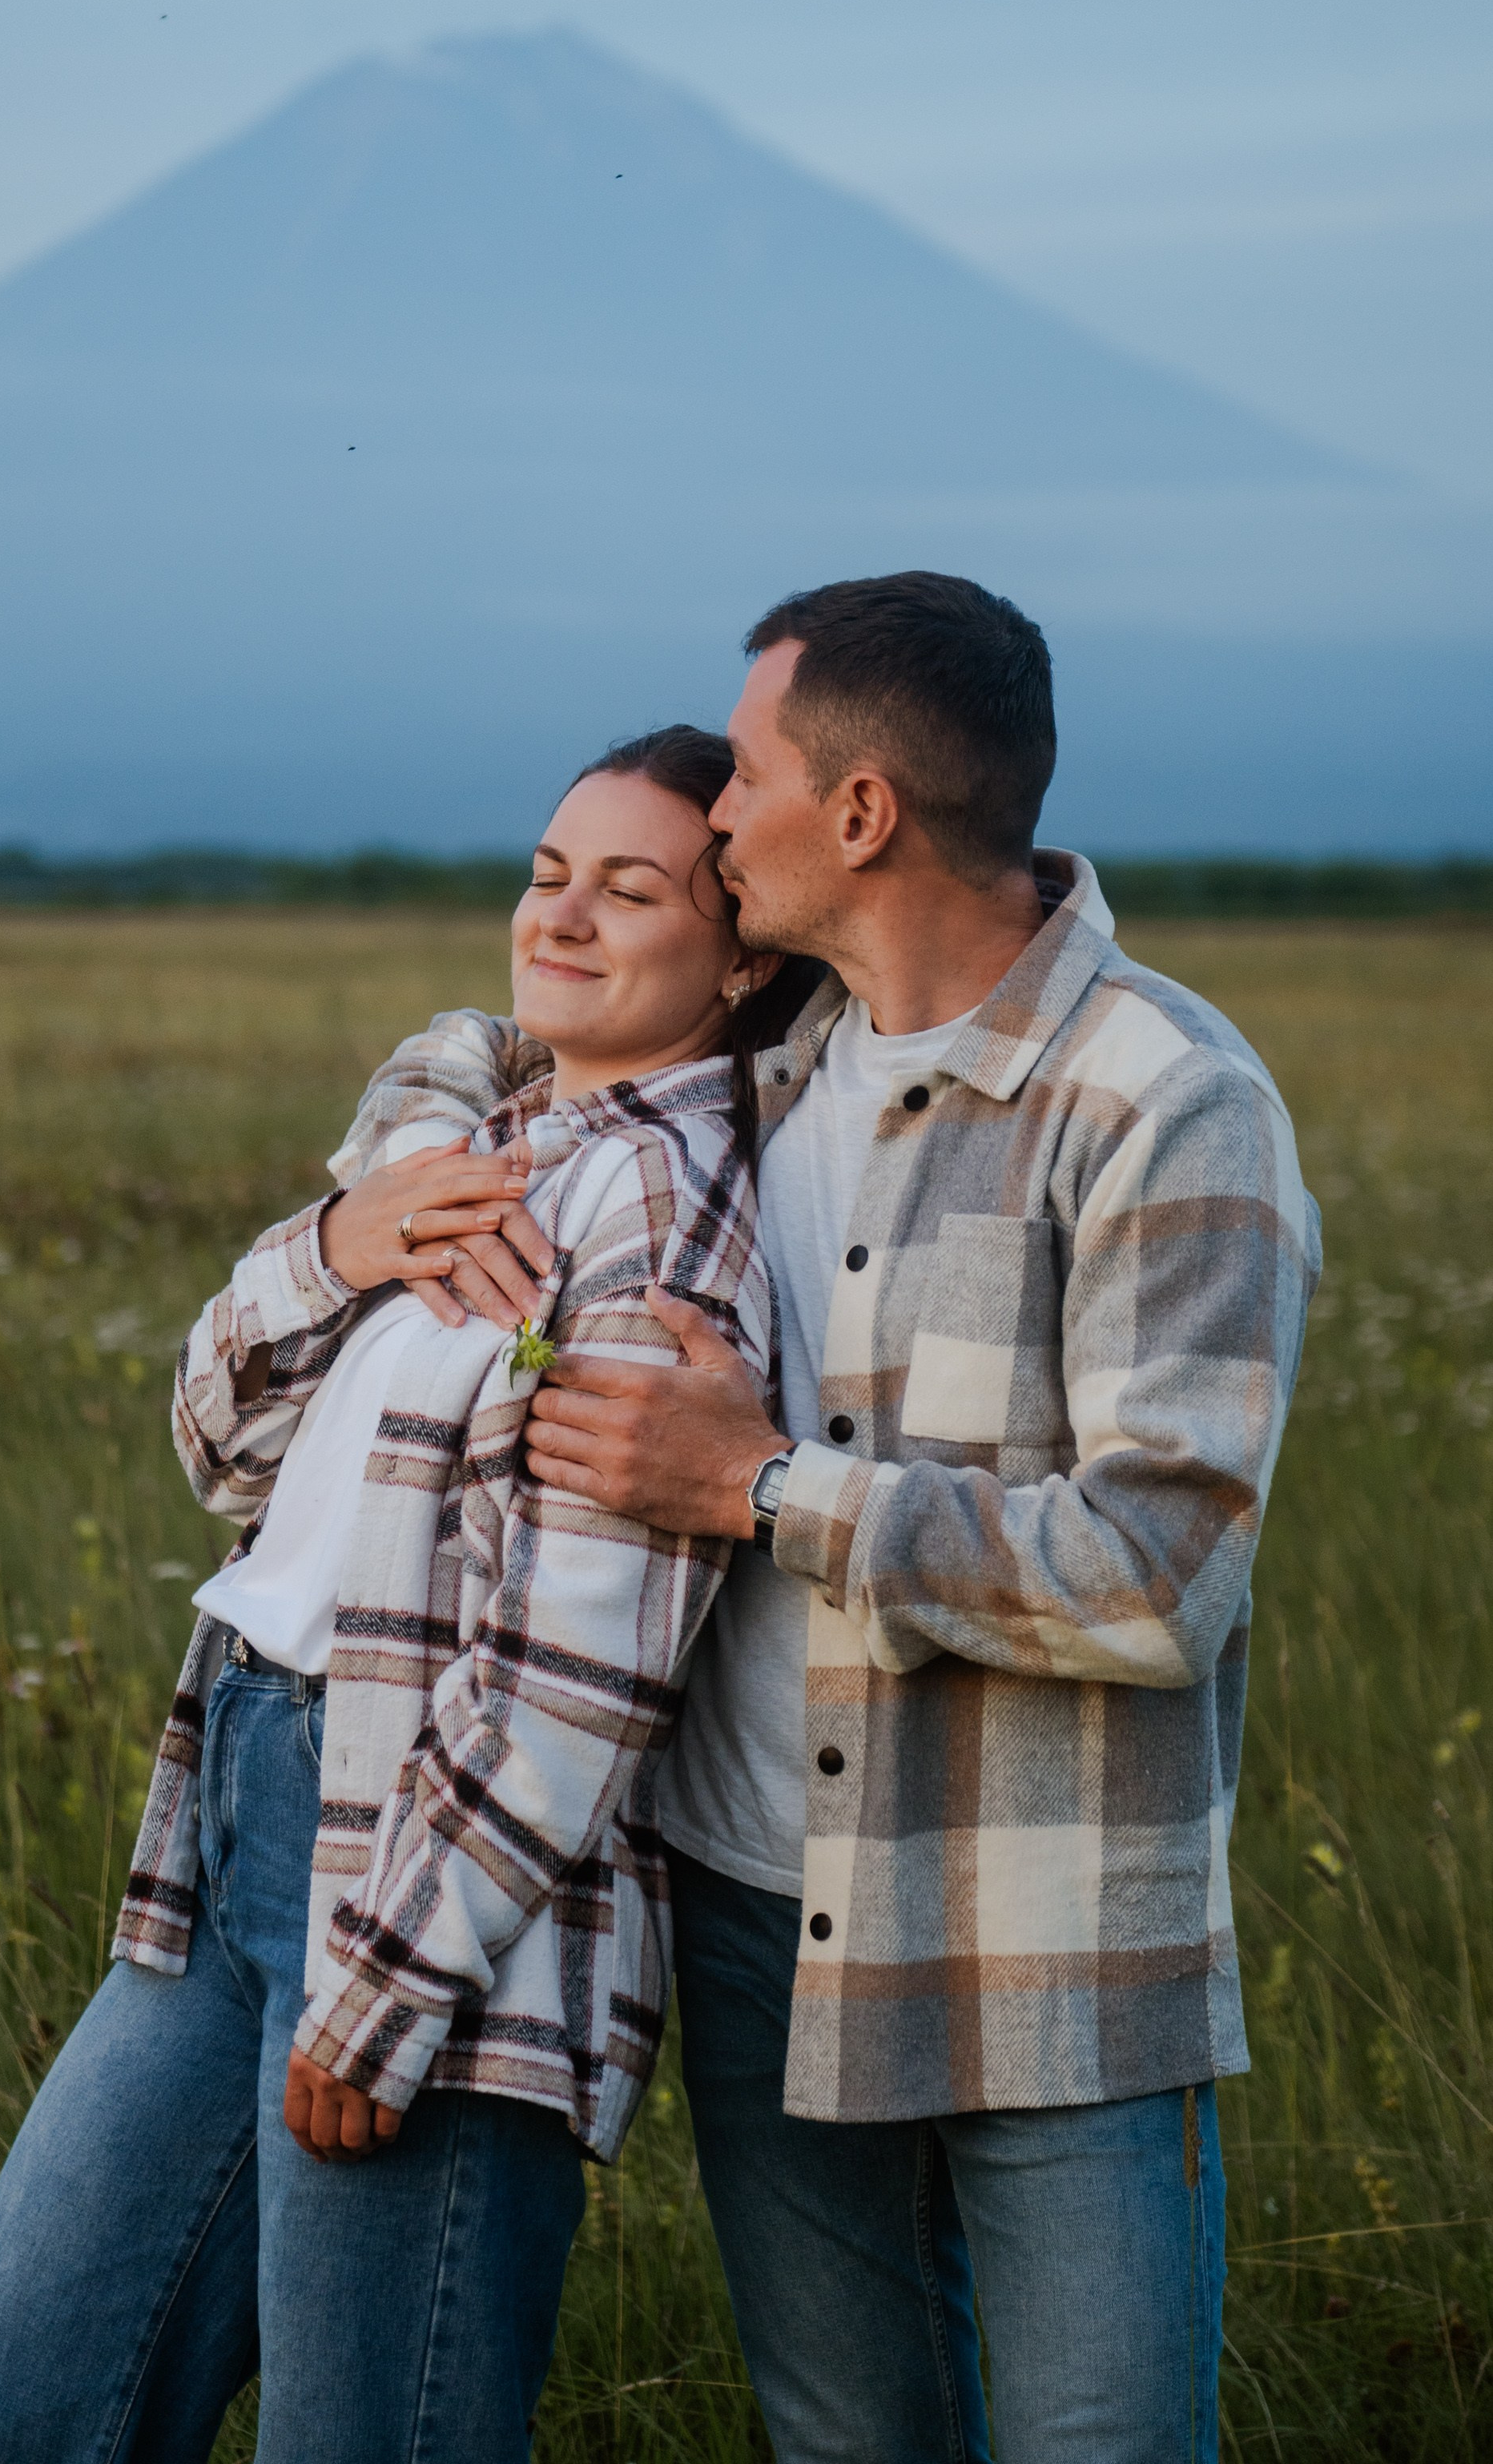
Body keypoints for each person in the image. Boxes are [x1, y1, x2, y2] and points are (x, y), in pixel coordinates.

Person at [337, 572, 1322, 2464]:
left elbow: (1160, 1571)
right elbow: (507, 1035)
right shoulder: (771, 1055)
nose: (715, 814)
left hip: (1046, 1942)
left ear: (859, 813)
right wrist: (397, 1176)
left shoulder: (1165, 1101)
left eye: (748, 773)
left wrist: (762, 1485)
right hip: (750, 1915)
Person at [0, 727, 806, 2464]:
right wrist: (340, 1239)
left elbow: (579, 1670)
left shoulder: (666, 1213)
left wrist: (391, 1979)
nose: (562, 916)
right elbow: (215, 1440)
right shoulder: (485, 1141)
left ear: (744, 957)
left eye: (631, 891)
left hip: (430, 1886)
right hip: (236, 1811)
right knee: (4, 2405)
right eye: (548, 873)